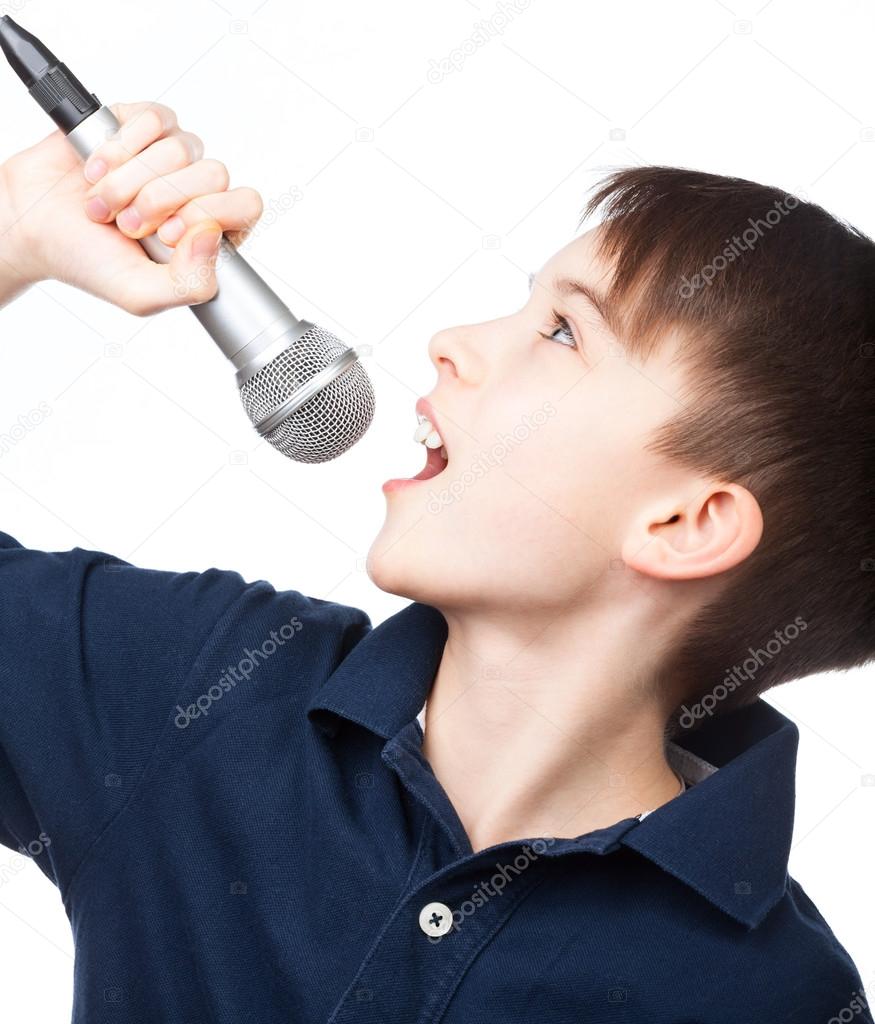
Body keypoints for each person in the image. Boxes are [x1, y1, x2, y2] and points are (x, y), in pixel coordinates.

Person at [0, 101, 871, 1023]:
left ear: (686, 523)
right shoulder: (200, 691)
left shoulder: (778, 1002)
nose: (450, 342)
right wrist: (14, 227)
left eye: (564, 332)